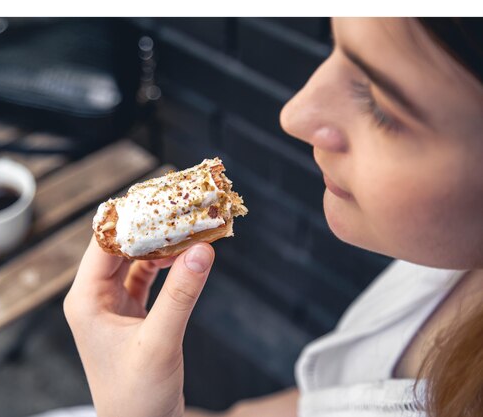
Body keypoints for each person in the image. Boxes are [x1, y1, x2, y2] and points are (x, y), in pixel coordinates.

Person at [62, 17, 483, 417]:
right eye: (336, 49)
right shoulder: (456, 261)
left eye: (379, 104)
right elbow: (332, 403)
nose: (293, 115)